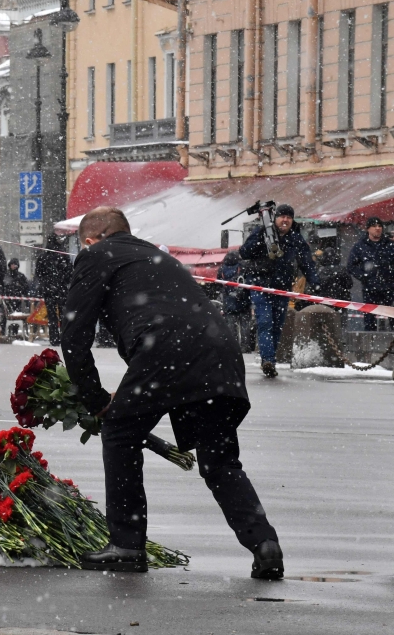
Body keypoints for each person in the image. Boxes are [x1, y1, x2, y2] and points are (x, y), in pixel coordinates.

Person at [61, 207, 283, 579]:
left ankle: (126, 545)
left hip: (165, 348)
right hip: (220, 352)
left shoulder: (95, 255)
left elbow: (74, 332)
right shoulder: (156, 254)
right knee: (220, 461)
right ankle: (265, 543)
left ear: (90, 239)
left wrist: (95, 399)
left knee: (119, 434)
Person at [238, 203, 318, 378]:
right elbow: (244, 252)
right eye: (282, 216)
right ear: (275, 218)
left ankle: (269, 359)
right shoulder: (260, 232)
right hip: (260, 285)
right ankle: (268, 360)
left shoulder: (296, 239)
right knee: (265, 322)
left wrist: (316, 282)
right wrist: (261, 241)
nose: (285, 220)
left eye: (289, 217)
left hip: (282, 288)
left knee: (277, 325)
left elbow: (307, 263)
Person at [346, 217, 394, 331]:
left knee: (392, 317)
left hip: (389, 287)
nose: (377, 228)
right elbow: (351, 266)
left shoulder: (389, 245)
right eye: (374, 226)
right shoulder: (360, 246)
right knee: (369, 319)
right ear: (368, 229)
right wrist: (364, 276)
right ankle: (370, 344)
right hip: (370, 288)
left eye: (379, 226)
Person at [35, 234, 73, 346]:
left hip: (48, 289)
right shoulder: (63, 255)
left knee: (52, 315)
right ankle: (64, 337)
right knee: (63, 315)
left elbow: (38, 273)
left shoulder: (43, 256)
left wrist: (45, 283)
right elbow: (70, 272)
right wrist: (63, 282)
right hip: (62, 289)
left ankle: (54, 338)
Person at [217, 251, 252, 351]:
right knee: (245, 325)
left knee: (231, 325)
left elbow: (219, 284)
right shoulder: (242, 266)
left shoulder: (222, 269)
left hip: (229, 301)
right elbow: (248, 281)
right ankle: (245, 346)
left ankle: (234, 346)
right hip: (243, 300)